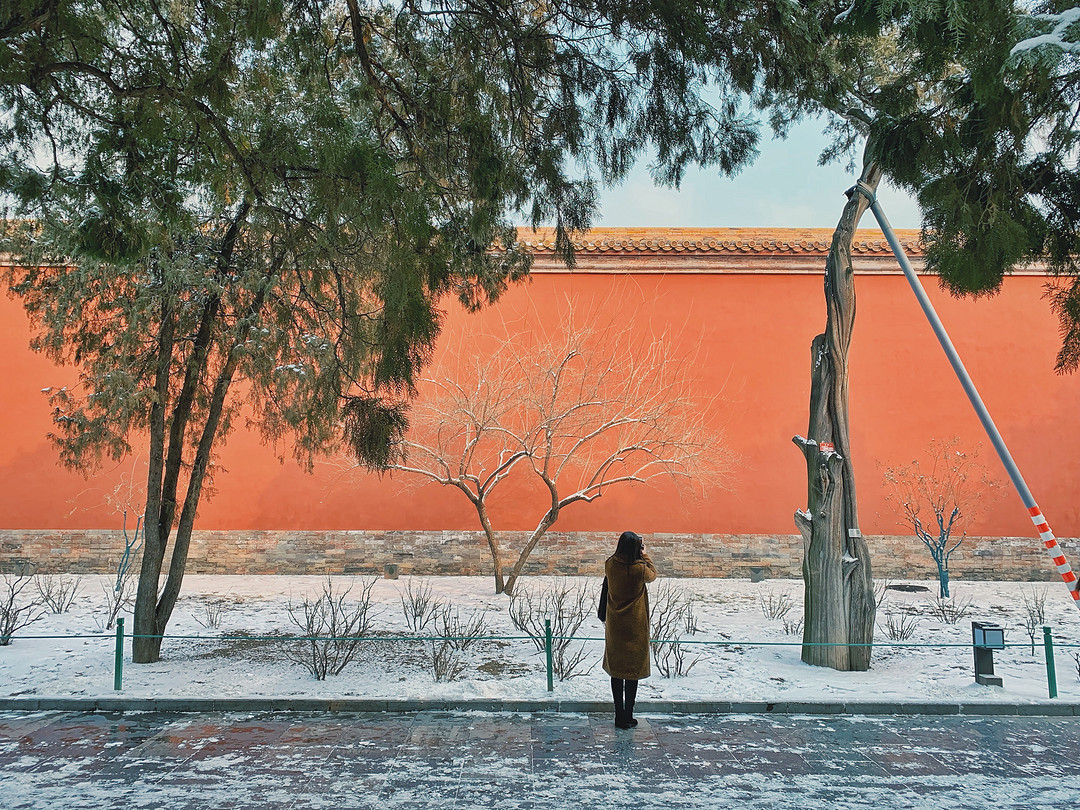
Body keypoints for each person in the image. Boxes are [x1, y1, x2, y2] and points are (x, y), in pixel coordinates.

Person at [602, 530, 657, 729]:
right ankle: (628, 714)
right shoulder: (640, 570)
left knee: (616, 671)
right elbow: (653, 575)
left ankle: (618, 715)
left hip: (615, 625)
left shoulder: (610, 565)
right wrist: (645, 554)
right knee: (632, 672)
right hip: (635, 627)